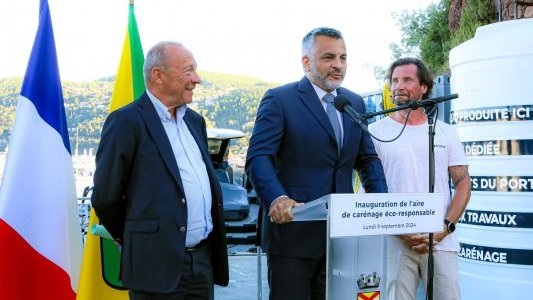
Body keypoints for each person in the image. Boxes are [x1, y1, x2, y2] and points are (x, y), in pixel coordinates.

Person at [246, 27, 388, 300]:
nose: (338, 65)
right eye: (329, 57)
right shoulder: (280, 99)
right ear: (306, 62)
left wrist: (380, 203)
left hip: (343, 238)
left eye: (343, 57)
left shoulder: (353, 102)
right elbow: (258, 157)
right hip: (293, 237)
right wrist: (277, 198)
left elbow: (367, 159)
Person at [91, 41, 229, 300]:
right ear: (158, 75)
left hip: (201, 263)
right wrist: (137, 237)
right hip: (154, 264)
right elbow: (105, 196)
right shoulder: (126, 121)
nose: (196, 79)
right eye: (188, 71)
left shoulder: (195, 121)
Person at [368, 57, 471, 300]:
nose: (398, 86)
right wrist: (399, 230)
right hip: (395, 242)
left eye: (406, 79)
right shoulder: (375, 133)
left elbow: (463, 183)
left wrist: (445, 228)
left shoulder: (445, 131)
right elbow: (370, 188)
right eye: (394, 80)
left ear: (424, 87)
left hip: (441, 242)